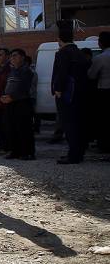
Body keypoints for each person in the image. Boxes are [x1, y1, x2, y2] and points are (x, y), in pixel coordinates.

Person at [52, 21, 88, 164]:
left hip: (67, 95)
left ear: (59, 39)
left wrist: (58, 89)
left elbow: (61, 73)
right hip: (79, 95)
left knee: (69, 125)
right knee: (78, 125)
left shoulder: (63, 53)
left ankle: (73, 155)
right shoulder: (79, 53)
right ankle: (78, 153)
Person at [1, 49, 35, 160]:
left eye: (15, 56)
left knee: (24, 128)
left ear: (22, 57)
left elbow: (24, 88)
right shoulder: (12, 71)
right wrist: (4, 96)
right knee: (11, 127)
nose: (12, 58)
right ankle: (15, 151)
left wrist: (12, 97)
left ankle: (27, 152)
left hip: (22, 103)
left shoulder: (26, 71)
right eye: (11, 56)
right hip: (11, 104)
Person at [88, 31, 110, 153]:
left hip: (105, 91)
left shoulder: (100, 58)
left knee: (104, 120)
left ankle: (105, 145)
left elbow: (91, 75)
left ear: (101, 43)